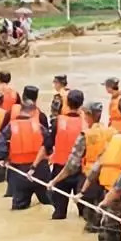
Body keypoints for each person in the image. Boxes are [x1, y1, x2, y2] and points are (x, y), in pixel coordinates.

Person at [51, 102, 112, 230]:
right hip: (108, 181)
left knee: (91, 223)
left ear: (89, 115)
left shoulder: (85, 135)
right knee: (105, 220)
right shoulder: (111, 132)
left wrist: (54, 181)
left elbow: (71, 165)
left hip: (90, 182)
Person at [33, 89, 85, 219]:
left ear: (66, 103)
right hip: (81, 171)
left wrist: (34, 166)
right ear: (81, 104)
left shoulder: (58, 122)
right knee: (84, 216)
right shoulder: (87, 124)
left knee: (59, 213)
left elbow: (46, 146)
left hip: (60, 171)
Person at [0, 99, 51, 210]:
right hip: (40, 171)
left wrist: (4, 157)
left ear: (21, 111)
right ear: (33, 112)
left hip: (19, 172)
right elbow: (49, 143)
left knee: (19, 207)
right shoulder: (38, 126)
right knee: (50, 203)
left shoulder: (11, 126)